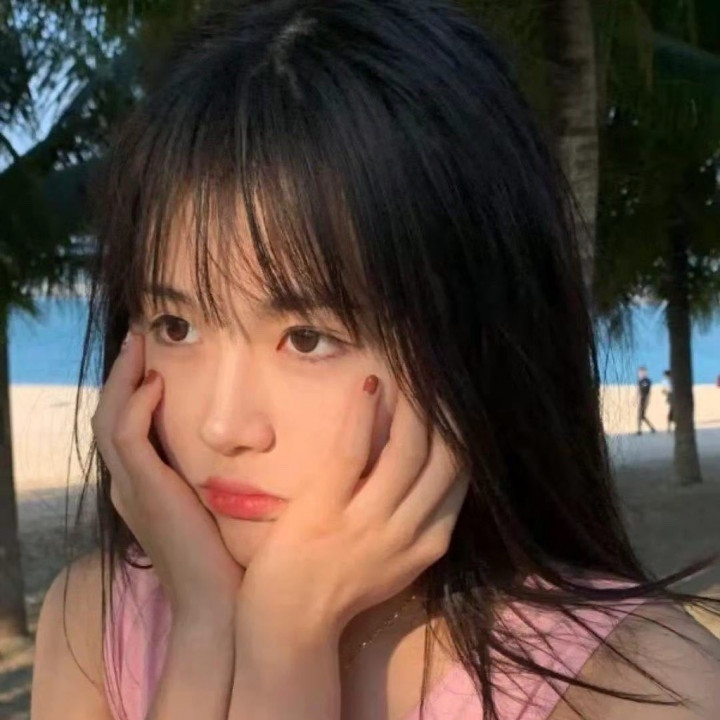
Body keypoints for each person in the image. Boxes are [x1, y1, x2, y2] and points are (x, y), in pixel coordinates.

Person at [31, 2, 720, 719]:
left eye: (307, 339)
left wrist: (284, 643)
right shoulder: (96, 626)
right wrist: (211, 632)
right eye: (176, 326)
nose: (222, 425)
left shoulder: (640, 689)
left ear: (476, 337)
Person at [636, 366, 657, 435]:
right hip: (641, 399)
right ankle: (651, 428)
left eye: (641, 372)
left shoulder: (647, 381)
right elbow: (639, 391)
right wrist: (637, 398)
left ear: (645, 373)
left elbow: (647, 391)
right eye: (639, 373)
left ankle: (639, 430)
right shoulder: (640, 381)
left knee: (640, 415)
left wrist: (647, 400)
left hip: (645, 399)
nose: (640, 374)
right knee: (642, 416)